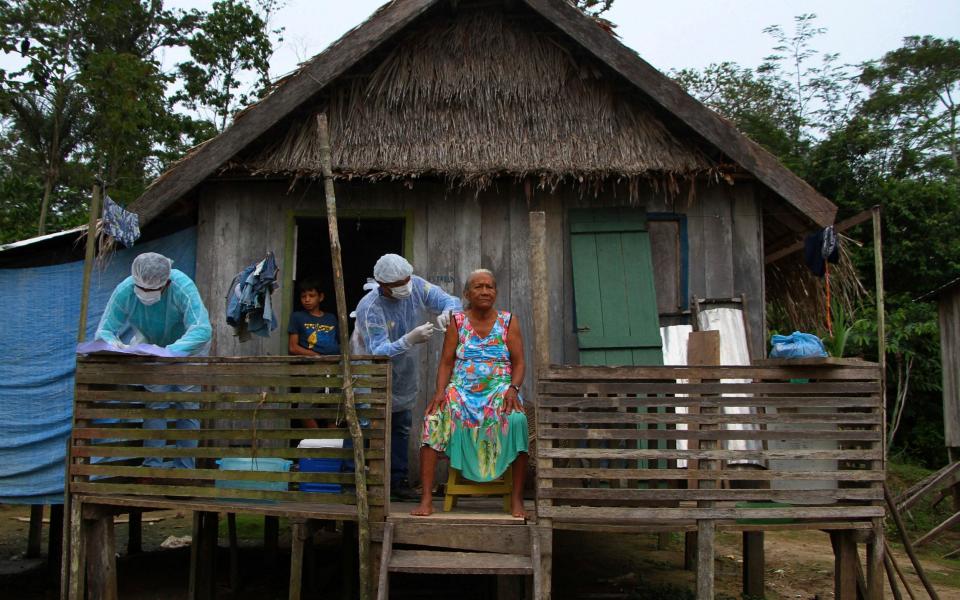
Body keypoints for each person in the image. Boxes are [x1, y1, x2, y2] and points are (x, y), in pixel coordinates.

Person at [411, 269, 529, 517]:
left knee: (518, 420)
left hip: (499, 391)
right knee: (433, 420)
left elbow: (519, 363)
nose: (485, 291)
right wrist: (440, 392)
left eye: (489, 287)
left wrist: (513, 389)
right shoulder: (458, 321)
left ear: (495, 292)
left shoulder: (509, 321)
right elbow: (446, 362)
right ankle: (426, 499)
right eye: (478, 287)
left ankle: (518, 499)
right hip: (461, 392)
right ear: (467, 293)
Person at [353, 254, 461, 500]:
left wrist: (449, 312)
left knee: (400, 426)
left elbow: (449, 299)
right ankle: (354, 480)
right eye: (398, 283)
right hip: (370, 374)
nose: (405, 286)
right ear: (383, 285)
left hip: (403, 373)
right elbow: (378, 351)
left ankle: (397, 482)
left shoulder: (416, 286)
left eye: (407, 279)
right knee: (365, 427)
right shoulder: (369, 307)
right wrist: (409, 339)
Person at [95, 252, 212, 469]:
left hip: (189, 348)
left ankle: (184, 469)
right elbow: (105, 330)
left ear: (166, 283)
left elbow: (201, 329)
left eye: (153, 290)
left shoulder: (181, 286)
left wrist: (169, 351)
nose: (147, 294)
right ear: (135, 282)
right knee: (156, 402)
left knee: (187, 404)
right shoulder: (124, 290)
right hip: (150, 346)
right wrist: (116, 346)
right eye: (142, 289)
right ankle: (152, 465)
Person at [288, 279, 339, 428]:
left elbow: (338, 342)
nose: (307, 299)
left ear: (320, 297)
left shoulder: (331, 318)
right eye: (304, 296)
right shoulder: (298, 317)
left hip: (335, 369)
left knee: (334, 412)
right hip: (313, 369)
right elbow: (293, 347)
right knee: (304, 410)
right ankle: (317, 442)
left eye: (311, 295)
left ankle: (330, 447)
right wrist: (316, 357)